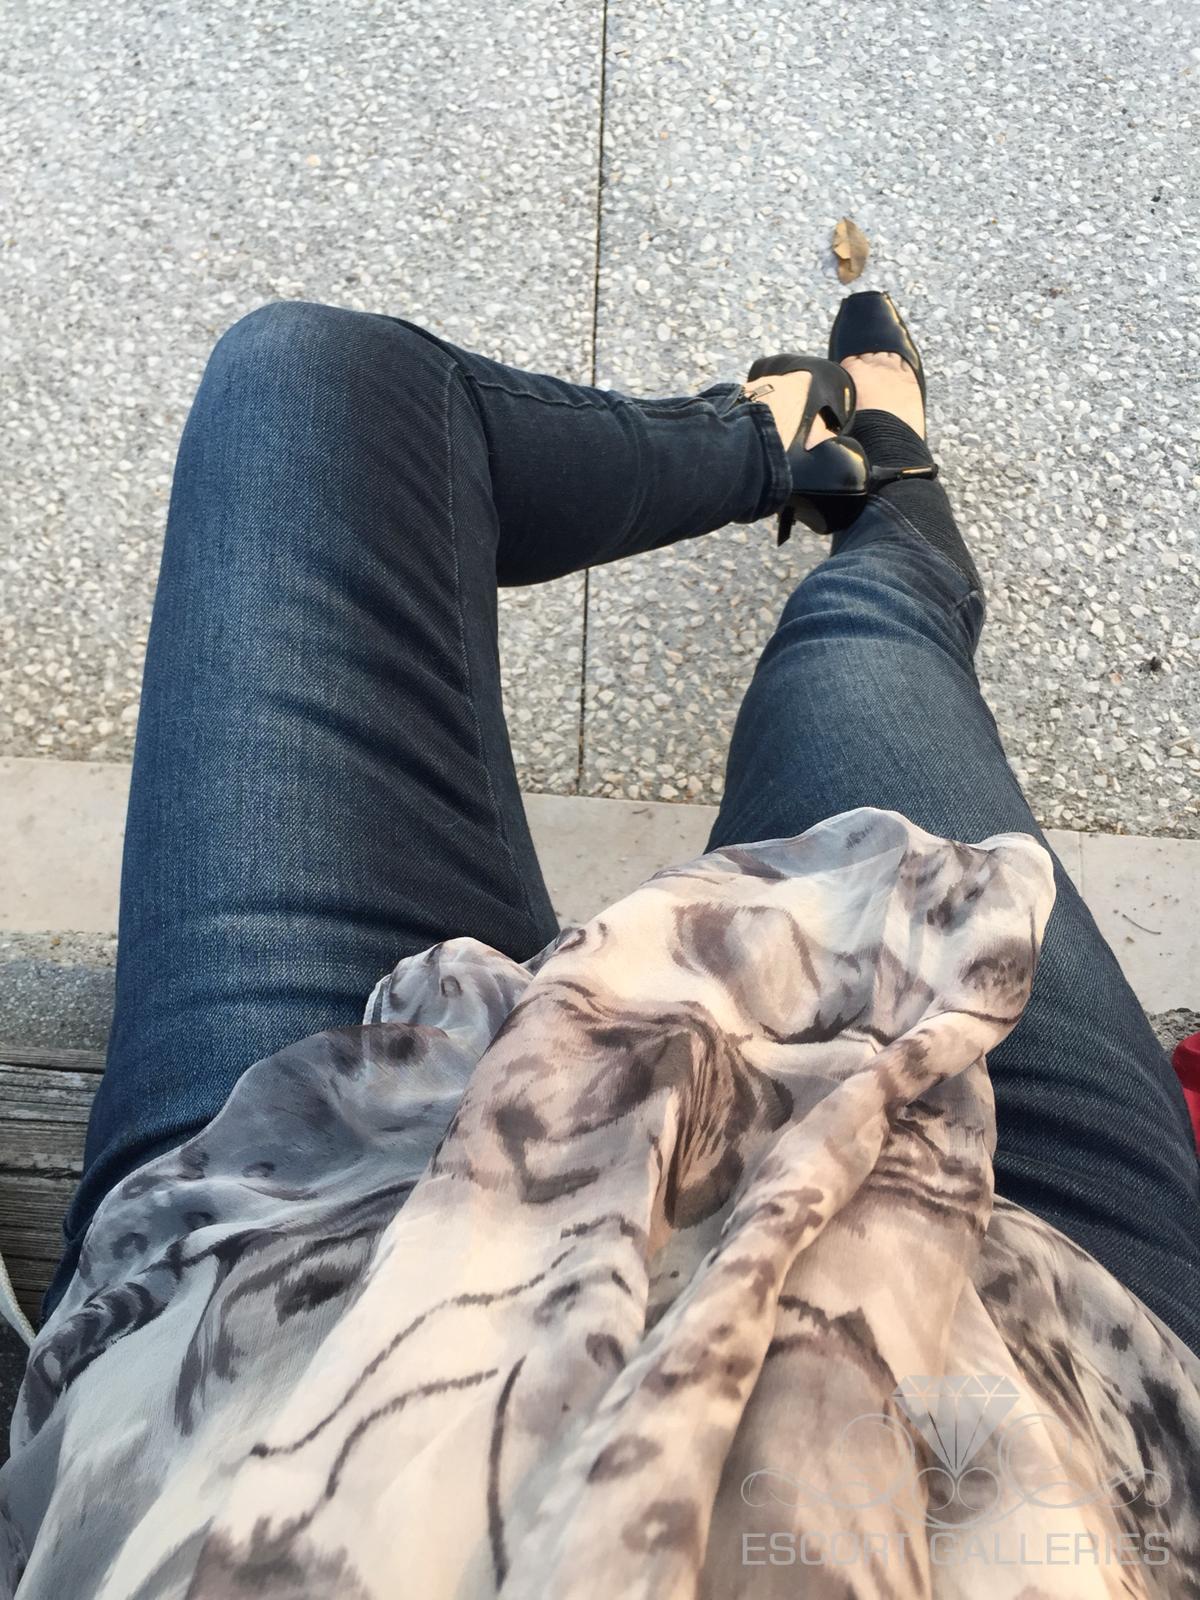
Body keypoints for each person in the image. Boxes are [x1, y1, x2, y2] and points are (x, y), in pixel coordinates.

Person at [2, 293, 1197, 1597]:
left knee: (313, 386)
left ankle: (780, 446)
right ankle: (874, 483)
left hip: (275, 1310)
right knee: (865, 655)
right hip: (1043, 1358)